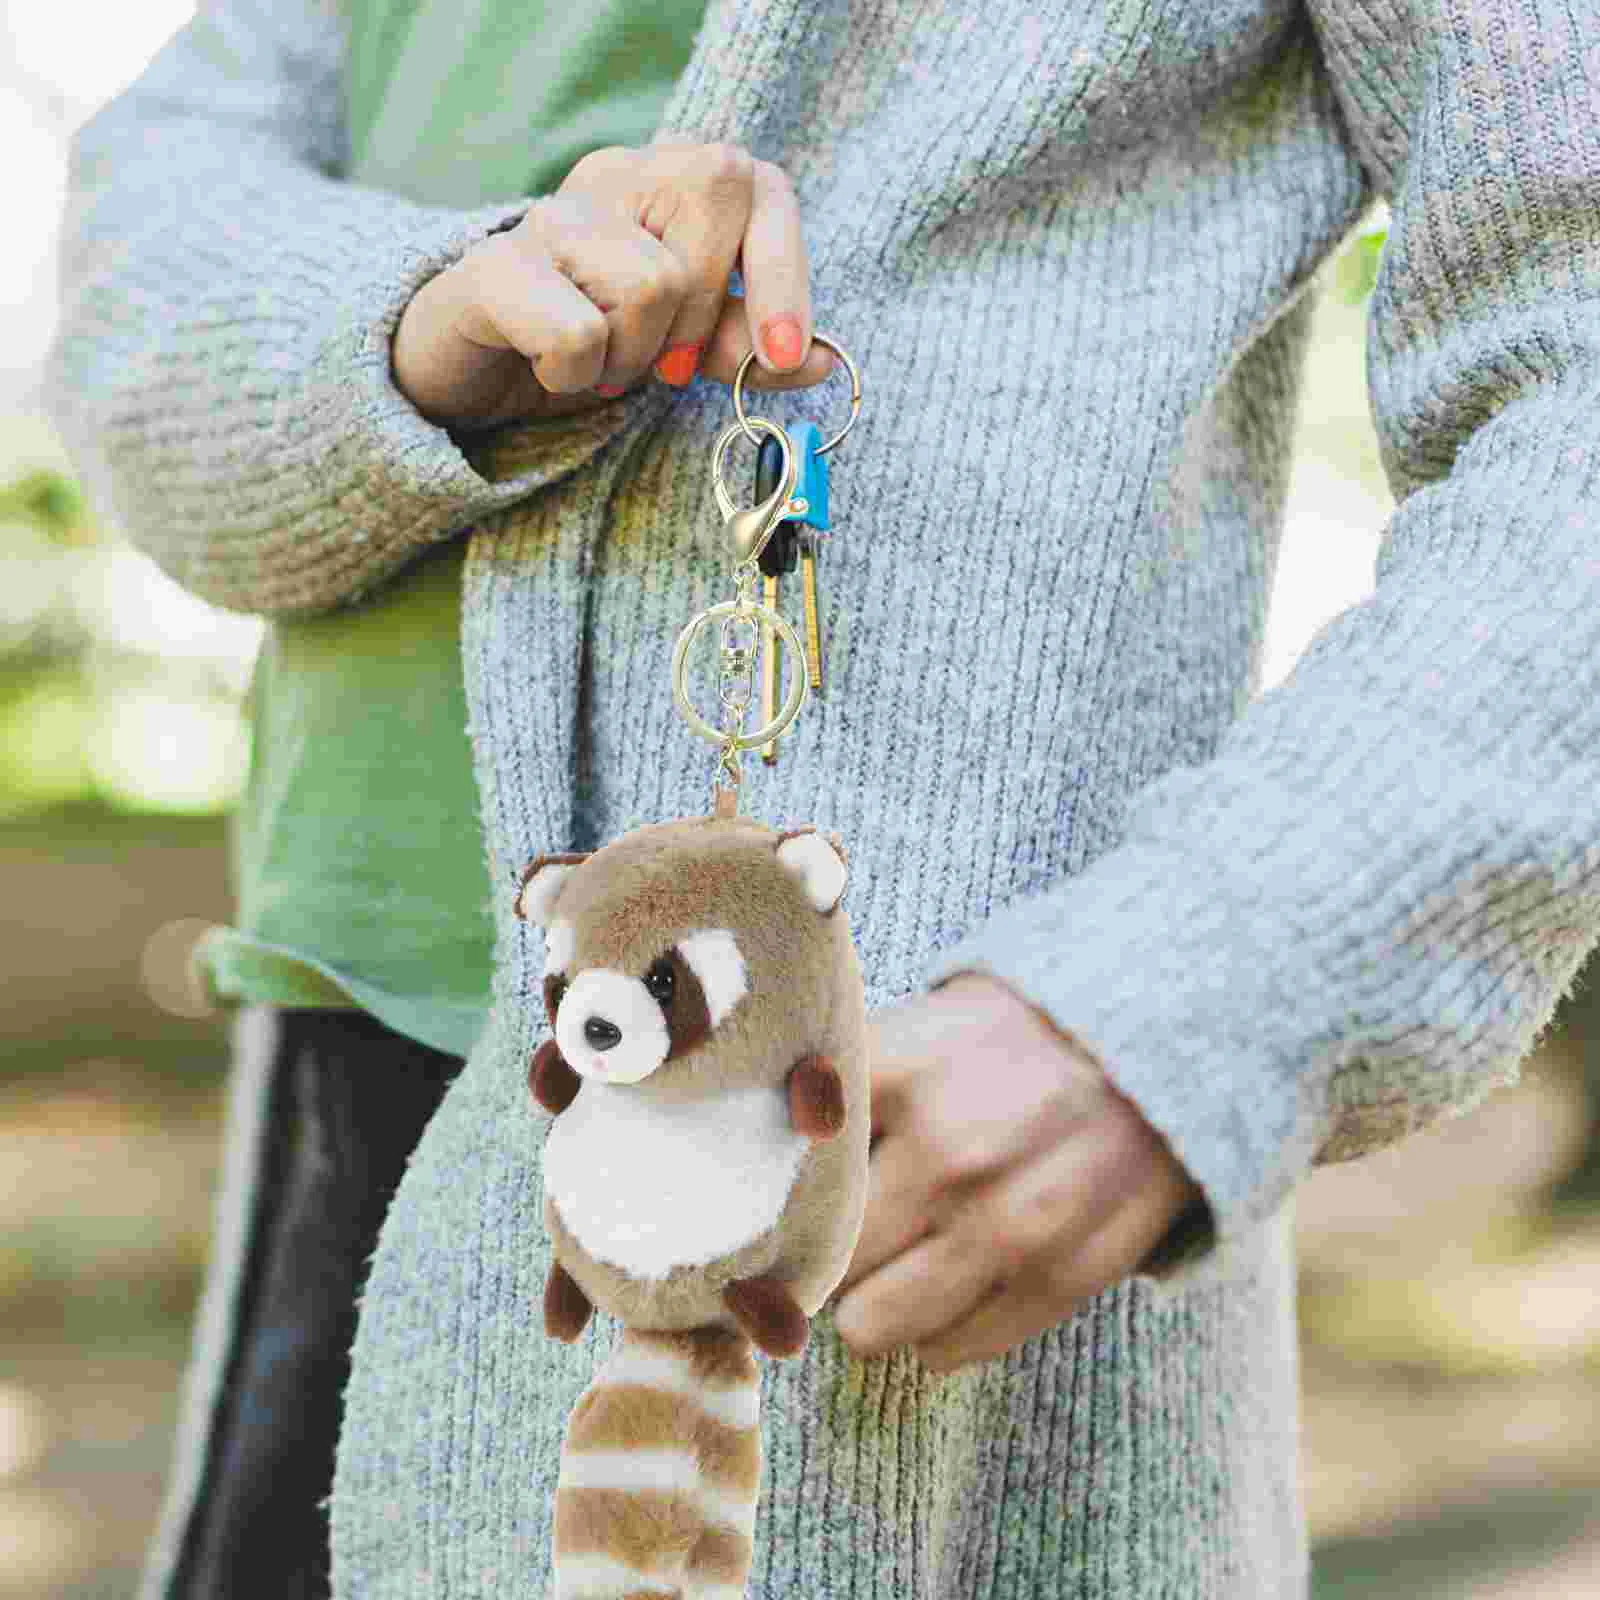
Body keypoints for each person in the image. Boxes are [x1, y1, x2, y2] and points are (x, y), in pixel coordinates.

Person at [42, 0, 1600, 1595]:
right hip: (337, 1085)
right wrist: (410, 325)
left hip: (907, 1153)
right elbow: (151, 214)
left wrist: (1197, 993)